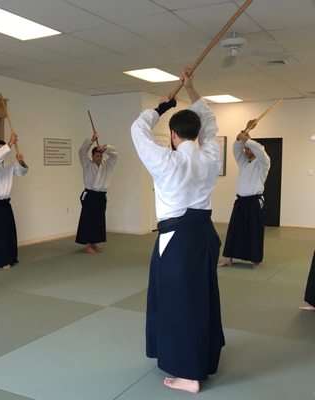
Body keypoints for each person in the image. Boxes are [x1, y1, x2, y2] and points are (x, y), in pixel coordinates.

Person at [131, 69, 225, 394]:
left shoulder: (165, 162)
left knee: (179, 304)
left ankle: (189, 374)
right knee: (200, 299)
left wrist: (160, 108)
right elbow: (210, 122)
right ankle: (203, 358)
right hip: (203, 235)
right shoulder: (211, 157)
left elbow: (137, 129)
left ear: (172, 135)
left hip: (177, 241)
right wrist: (191, 89)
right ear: (196, 134)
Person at [218, 125, 271, 267]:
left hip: (254, 202)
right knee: (234, 229)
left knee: (254, 230)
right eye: (246, 149)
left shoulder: (263, 163)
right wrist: (246, 130)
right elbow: (236, 148)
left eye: (248, 148)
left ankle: (255, 259)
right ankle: (228, 258)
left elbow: (260, 151)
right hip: (241, 201)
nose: (246, 151)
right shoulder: (243, 162)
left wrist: (247, 139)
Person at [0, 132, 28, 269]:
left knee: (8, 232)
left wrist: (21, 161)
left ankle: (9, 257)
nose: (4, 152)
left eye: (5, 149)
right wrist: (9, 143)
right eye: (1, 149)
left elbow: (22, 172)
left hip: (5, 203)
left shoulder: (9, 165)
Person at [75, 132, 118, 253]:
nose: (99, 158)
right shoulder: (87, 164)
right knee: (88, 220)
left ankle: (94, 242)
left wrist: (105, 148)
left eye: (100, 155)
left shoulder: (107, 165)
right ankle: (88, 244)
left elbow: (115, 155)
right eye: (97, 155)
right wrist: (91, 140)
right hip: (90, 195)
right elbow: (81, 152)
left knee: (99, 219)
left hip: (101, 196)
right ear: (92, 156)